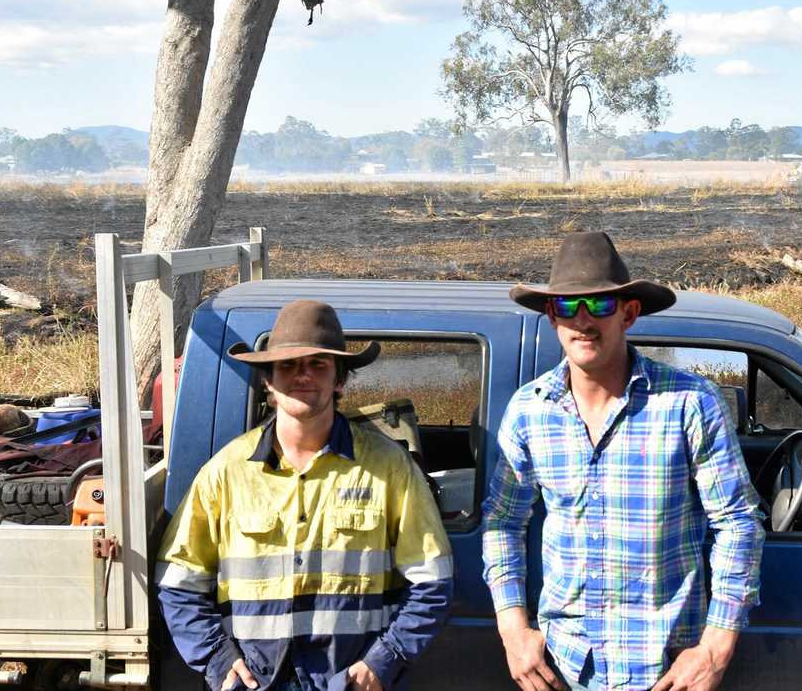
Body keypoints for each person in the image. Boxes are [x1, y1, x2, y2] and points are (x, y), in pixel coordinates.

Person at [483, 232, 765, 691]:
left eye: (599, 306)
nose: (582, 321)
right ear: (552, 315)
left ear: (629, 313)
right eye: (568, 307)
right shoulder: (529, 411)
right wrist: (513, 630)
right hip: (567, 666)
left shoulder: (689, 404)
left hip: (667, 671)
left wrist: (715, 649)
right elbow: (502, 523)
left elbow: (738, 523)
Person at [156, 300, 454, 691]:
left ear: (340, 380)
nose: (303, 376)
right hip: (255, 683)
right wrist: (217, 659)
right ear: (268, 380)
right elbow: (178, 581)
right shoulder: (227, 471)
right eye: (288, 365)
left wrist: (385, 660)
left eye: (318, 364)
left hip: (347, 682)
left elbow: (433, 580)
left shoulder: (389, 467)